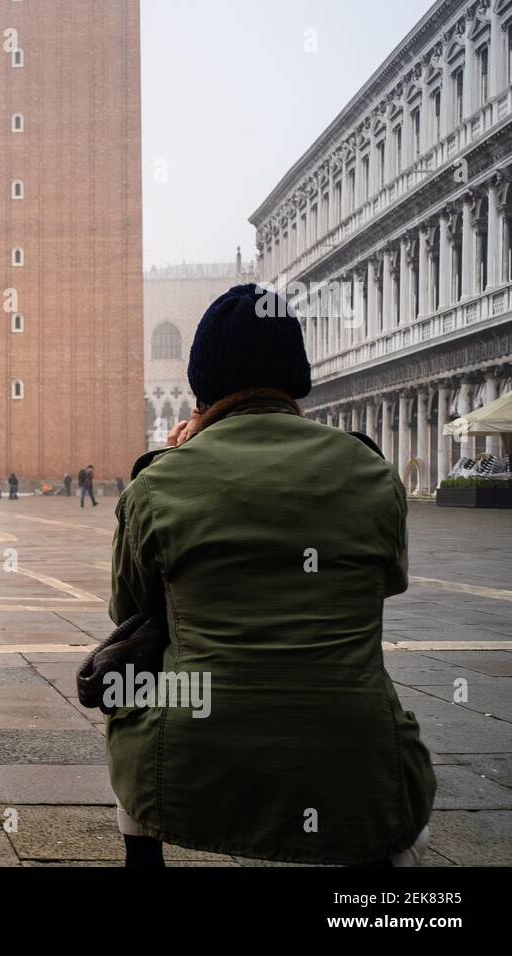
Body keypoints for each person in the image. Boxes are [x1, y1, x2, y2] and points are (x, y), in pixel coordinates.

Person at [107, 283, 433, 868]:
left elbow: (128, 612)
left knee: (132, 703)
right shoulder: (373, 473)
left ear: (200, 385)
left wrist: (182, 462)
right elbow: (387, 583)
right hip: (355, 760)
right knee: (399, 828)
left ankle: (144, 861)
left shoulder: (156, 482)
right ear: (296, 376)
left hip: (189, 763)